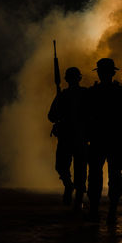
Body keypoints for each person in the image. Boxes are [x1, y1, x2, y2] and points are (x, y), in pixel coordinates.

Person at [87, 58, 122, 224]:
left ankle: (105, 209)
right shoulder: (119, 91)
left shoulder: (95, 92)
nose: (104, 75)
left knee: (103, 175)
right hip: (108, 140)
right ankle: (107, 209)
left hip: (104, 140)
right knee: (106, 176)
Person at [48, 67, 88, 210]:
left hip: (77, 136)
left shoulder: (83, 94)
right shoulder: (64, 95)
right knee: (64, 167)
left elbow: (52, 116)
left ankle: (77, 198)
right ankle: (70, 188)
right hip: (70, 136)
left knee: (78, 169)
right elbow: (52, 116)